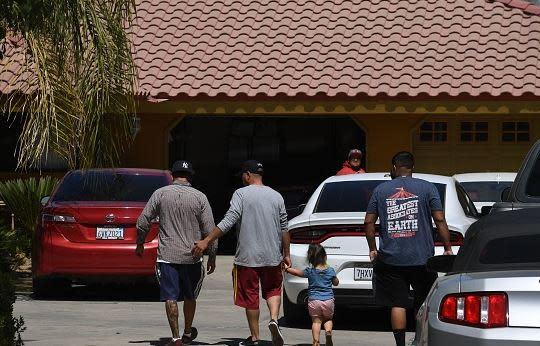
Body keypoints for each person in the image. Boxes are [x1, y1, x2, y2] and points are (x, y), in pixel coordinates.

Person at [192, 160, 289, 346]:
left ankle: (254, 338)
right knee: (273, 290)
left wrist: (207, 240)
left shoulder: (241, 194)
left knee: (251, 296)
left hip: (248, 257)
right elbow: (284, 228)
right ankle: (274, 319)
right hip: (272, 256)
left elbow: (229, 220)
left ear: (247, 175)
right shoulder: (277, 196)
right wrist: (287, 254)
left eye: (243, 176)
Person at [363, 151, 453, 346]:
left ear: (394, 167)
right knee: (424, 302)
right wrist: (447, 247)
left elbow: (369, 222)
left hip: (391, 259)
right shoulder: (428, 188)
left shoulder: (380, 190)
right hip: (422, 258)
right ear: (413, 167)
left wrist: (372, 248)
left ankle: (401, 344)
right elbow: (439, 219)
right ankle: (421, 340)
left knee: (397, 302)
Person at [136, 160, 217, 346]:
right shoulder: (200, 197)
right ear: (190, 177)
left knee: (170, 297)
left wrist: (140, 243)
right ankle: (188, 333)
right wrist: (212, 255)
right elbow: (210, 230)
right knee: (190, 296)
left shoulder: (160, 194)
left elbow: (142, 222)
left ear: (173, 176)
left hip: (167, 256)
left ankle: (175, 338)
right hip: (193, 257)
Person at [284, 244, 339, 346]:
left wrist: (287, 269)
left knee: (316, 322)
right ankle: (328, 332)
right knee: (327, 319)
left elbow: (298, 273)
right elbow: (336, 282)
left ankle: (316, 341)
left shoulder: (310, 271)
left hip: (314, 300)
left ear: (310, 258)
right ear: (324, 257)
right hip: (328, 300)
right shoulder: (330, 270)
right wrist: (333, 279)